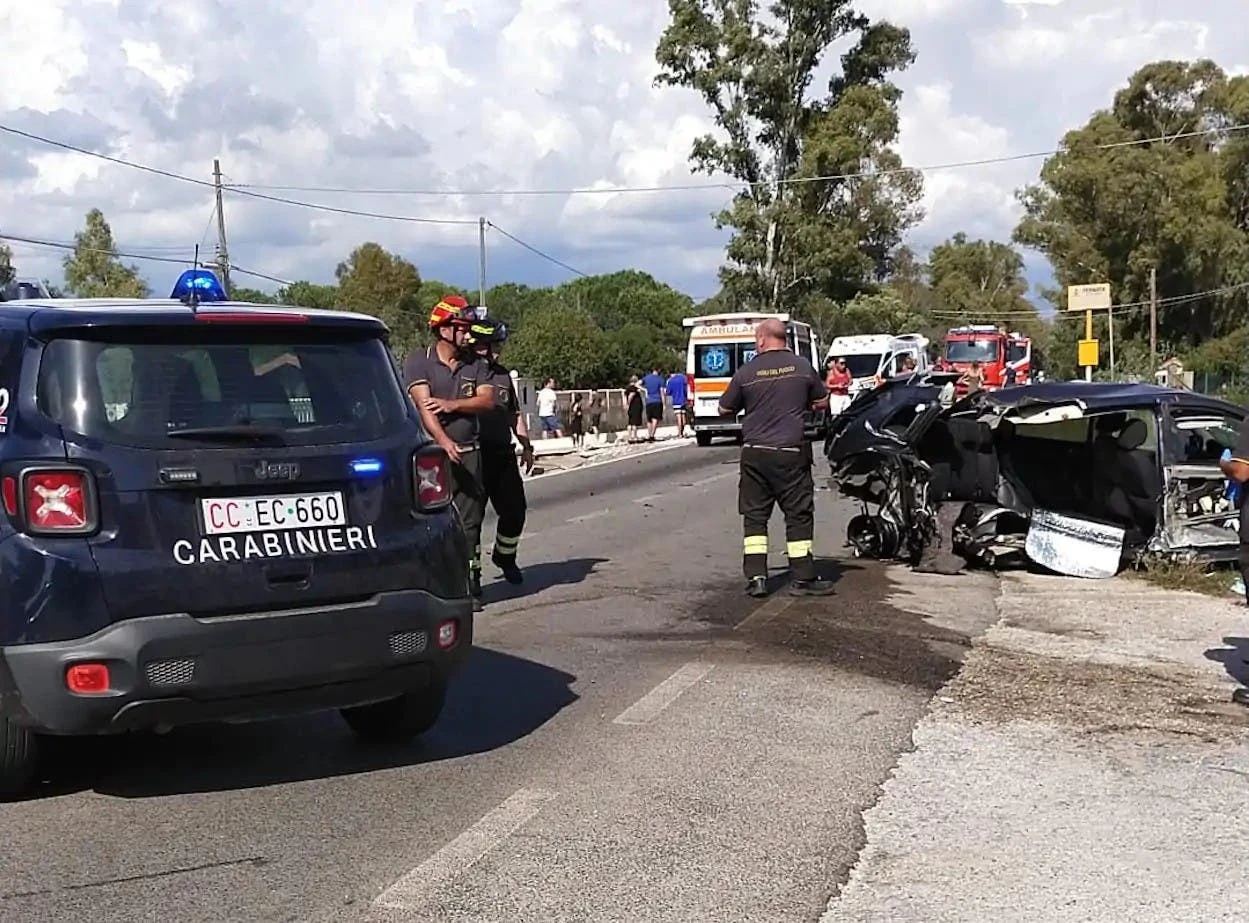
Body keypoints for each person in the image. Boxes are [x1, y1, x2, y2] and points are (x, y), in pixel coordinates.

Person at [719, 318, 833, 599]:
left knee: (755, 516)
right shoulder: (802, 367)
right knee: (798, 515)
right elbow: (823, 400)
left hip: (755, 453)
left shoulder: (746, 372)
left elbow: (724, 408)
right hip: (791, 453)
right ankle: (803, 577)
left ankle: (757, 577)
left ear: (760, 340)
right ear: (783, 339)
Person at [404, 296, 496, 611]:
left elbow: (487, 401)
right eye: (462, 328)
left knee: (470, 523)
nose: (468, 335)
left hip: (471, 452)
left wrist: (452, 405)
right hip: (432, 457)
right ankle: (434, 582)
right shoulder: (419, 360)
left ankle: (468, 584)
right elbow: (423, 407)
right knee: (432, 521)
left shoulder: (477, 365)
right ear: (444, 329)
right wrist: (443, 441)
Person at [466, 318, 533, 586]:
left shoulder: (503, 375)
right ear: (479, 345)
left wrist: (526, 445)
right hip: (472, 456)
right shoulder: (464, 372)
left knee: (515, 510)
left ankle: (505, 557)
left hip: (502, 455)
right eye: (493, 345)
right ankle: (471, 576)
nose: (497, 351)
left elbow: (513, 415)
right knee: (471, 521)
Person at [641, 366, 665, 441]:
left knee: (649, 419)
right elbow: (662, 392)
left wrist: (644, 390)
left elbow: (637, 384)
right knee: (655, 418)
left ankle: (649, 434)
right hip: (657, 400)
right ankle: (652, 435)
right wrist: (664, 403)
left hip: (649, 401)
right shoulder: (660, 379)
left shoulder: (646, 378)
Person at [665, 370, 689, 438]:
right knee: (683, 418)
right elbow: (686, 389)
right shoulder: (683, 379)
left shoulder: (671, 381)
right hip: (684, 400)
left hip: (676, 401)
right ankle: (682, 432)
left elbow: (668, 392)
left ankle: (680, 434)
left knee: (679, 418)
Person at [626, 375, 644, 442]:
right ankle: (634, 436)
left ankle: (630, 437)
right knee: (634, 423)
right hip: (635, 407)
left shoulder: (627, 388)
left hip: (631, 407)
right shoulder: (633, 388)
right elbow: (631, 396)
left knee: (630, 422)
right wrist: (628, 403)